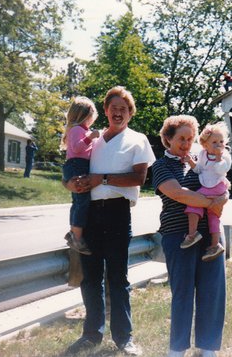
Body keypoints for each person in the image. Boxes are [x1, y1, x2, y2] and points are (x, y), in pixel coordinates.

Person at [63, 86, 155, 357]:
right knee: (90, 278)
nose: (118, 113)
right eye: (113, 108)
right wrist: (70, 183)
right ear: (105, 111)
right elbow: (72, 166)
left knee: (118, 278)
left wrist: (101, 179)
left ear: (130, 113)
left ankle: (124, 339)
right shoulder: (92, 139)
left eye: (123, 109)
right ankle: (91, 335)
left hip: (117, 212)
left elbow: (139, 178)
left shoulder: (137, 140)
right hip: (89, 213)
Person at [151, 115, 229, 357]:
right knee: (183, 293)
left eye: (190, 138)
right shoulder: (161, 166)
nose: (186, 143)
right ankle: (177, 349)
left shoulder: (201, 160)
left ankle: (208, 348)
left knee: (212, 292)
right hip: (178, 235)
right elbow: (178, 193)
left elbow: (224, 183)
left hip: (210, 236)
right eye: (181, 139)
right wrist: (212, 202)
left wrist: (223, 198)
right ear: (167, 139)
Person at [182, 122, 232, 262]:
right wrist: (191, 162)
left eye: (221, 141)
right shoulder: (203, 154)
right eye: (214, 142)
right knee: (213, 216)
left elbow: (220, 170)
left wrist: (218, 157)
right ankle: (215, 244)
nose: (219, 145)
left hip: (217, 186)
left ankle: (192, 234)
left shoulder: (225, 155)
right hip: (208, 185)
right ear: (205, 144)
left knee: (193, 203)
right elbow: (199, 169)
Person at [61, 96, 100, 255]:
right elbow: (77, 148)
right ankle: (77, 238)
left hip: (76, 165)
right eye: (91, 115)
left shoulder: (79, 130)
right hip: (77, 165)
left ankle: (73, 232)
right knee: (82, 201)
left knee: (77, 201)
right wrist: (90, 137)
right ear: (83, 115)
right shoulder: (78, 129)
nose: (92, 119)